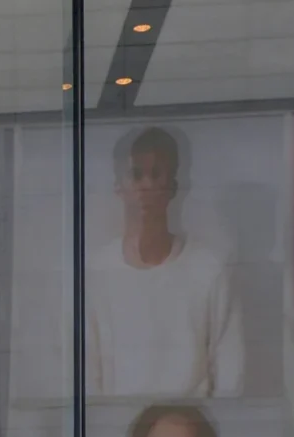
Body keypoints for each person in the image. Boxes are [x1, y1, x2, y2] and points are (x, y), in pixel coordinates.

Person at [87, 124, 242, 400]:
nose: (146, 186)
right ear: (119, 186)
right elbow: (87, 376)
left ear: (173, 185)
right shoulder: (96, 273)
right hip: (116, 431)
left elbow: (231, 375)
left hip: (192, 434)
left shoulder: (209, 270)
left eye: (156, 174)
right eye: (136, 175)